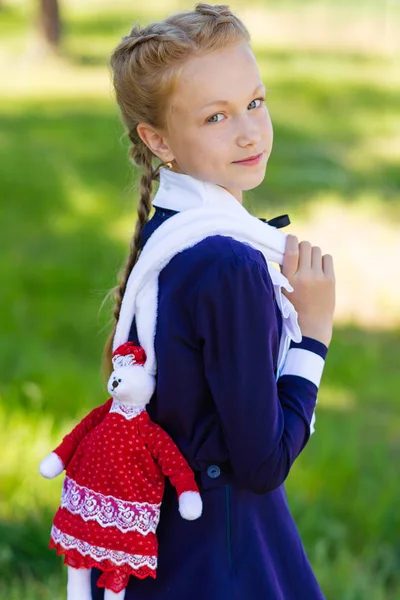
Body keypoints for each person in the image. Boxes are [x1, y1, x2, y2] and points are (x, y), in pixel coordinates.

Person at [93, 3, 335, 599]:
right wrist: (313, 333)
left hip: (173, 539)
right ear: (158, 140)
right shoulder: (229, 264)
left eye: (255, 102)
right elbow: (261, 462)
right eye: (216, 116)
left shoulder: (172, 228)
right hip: (225, 558)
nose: (249, 131)